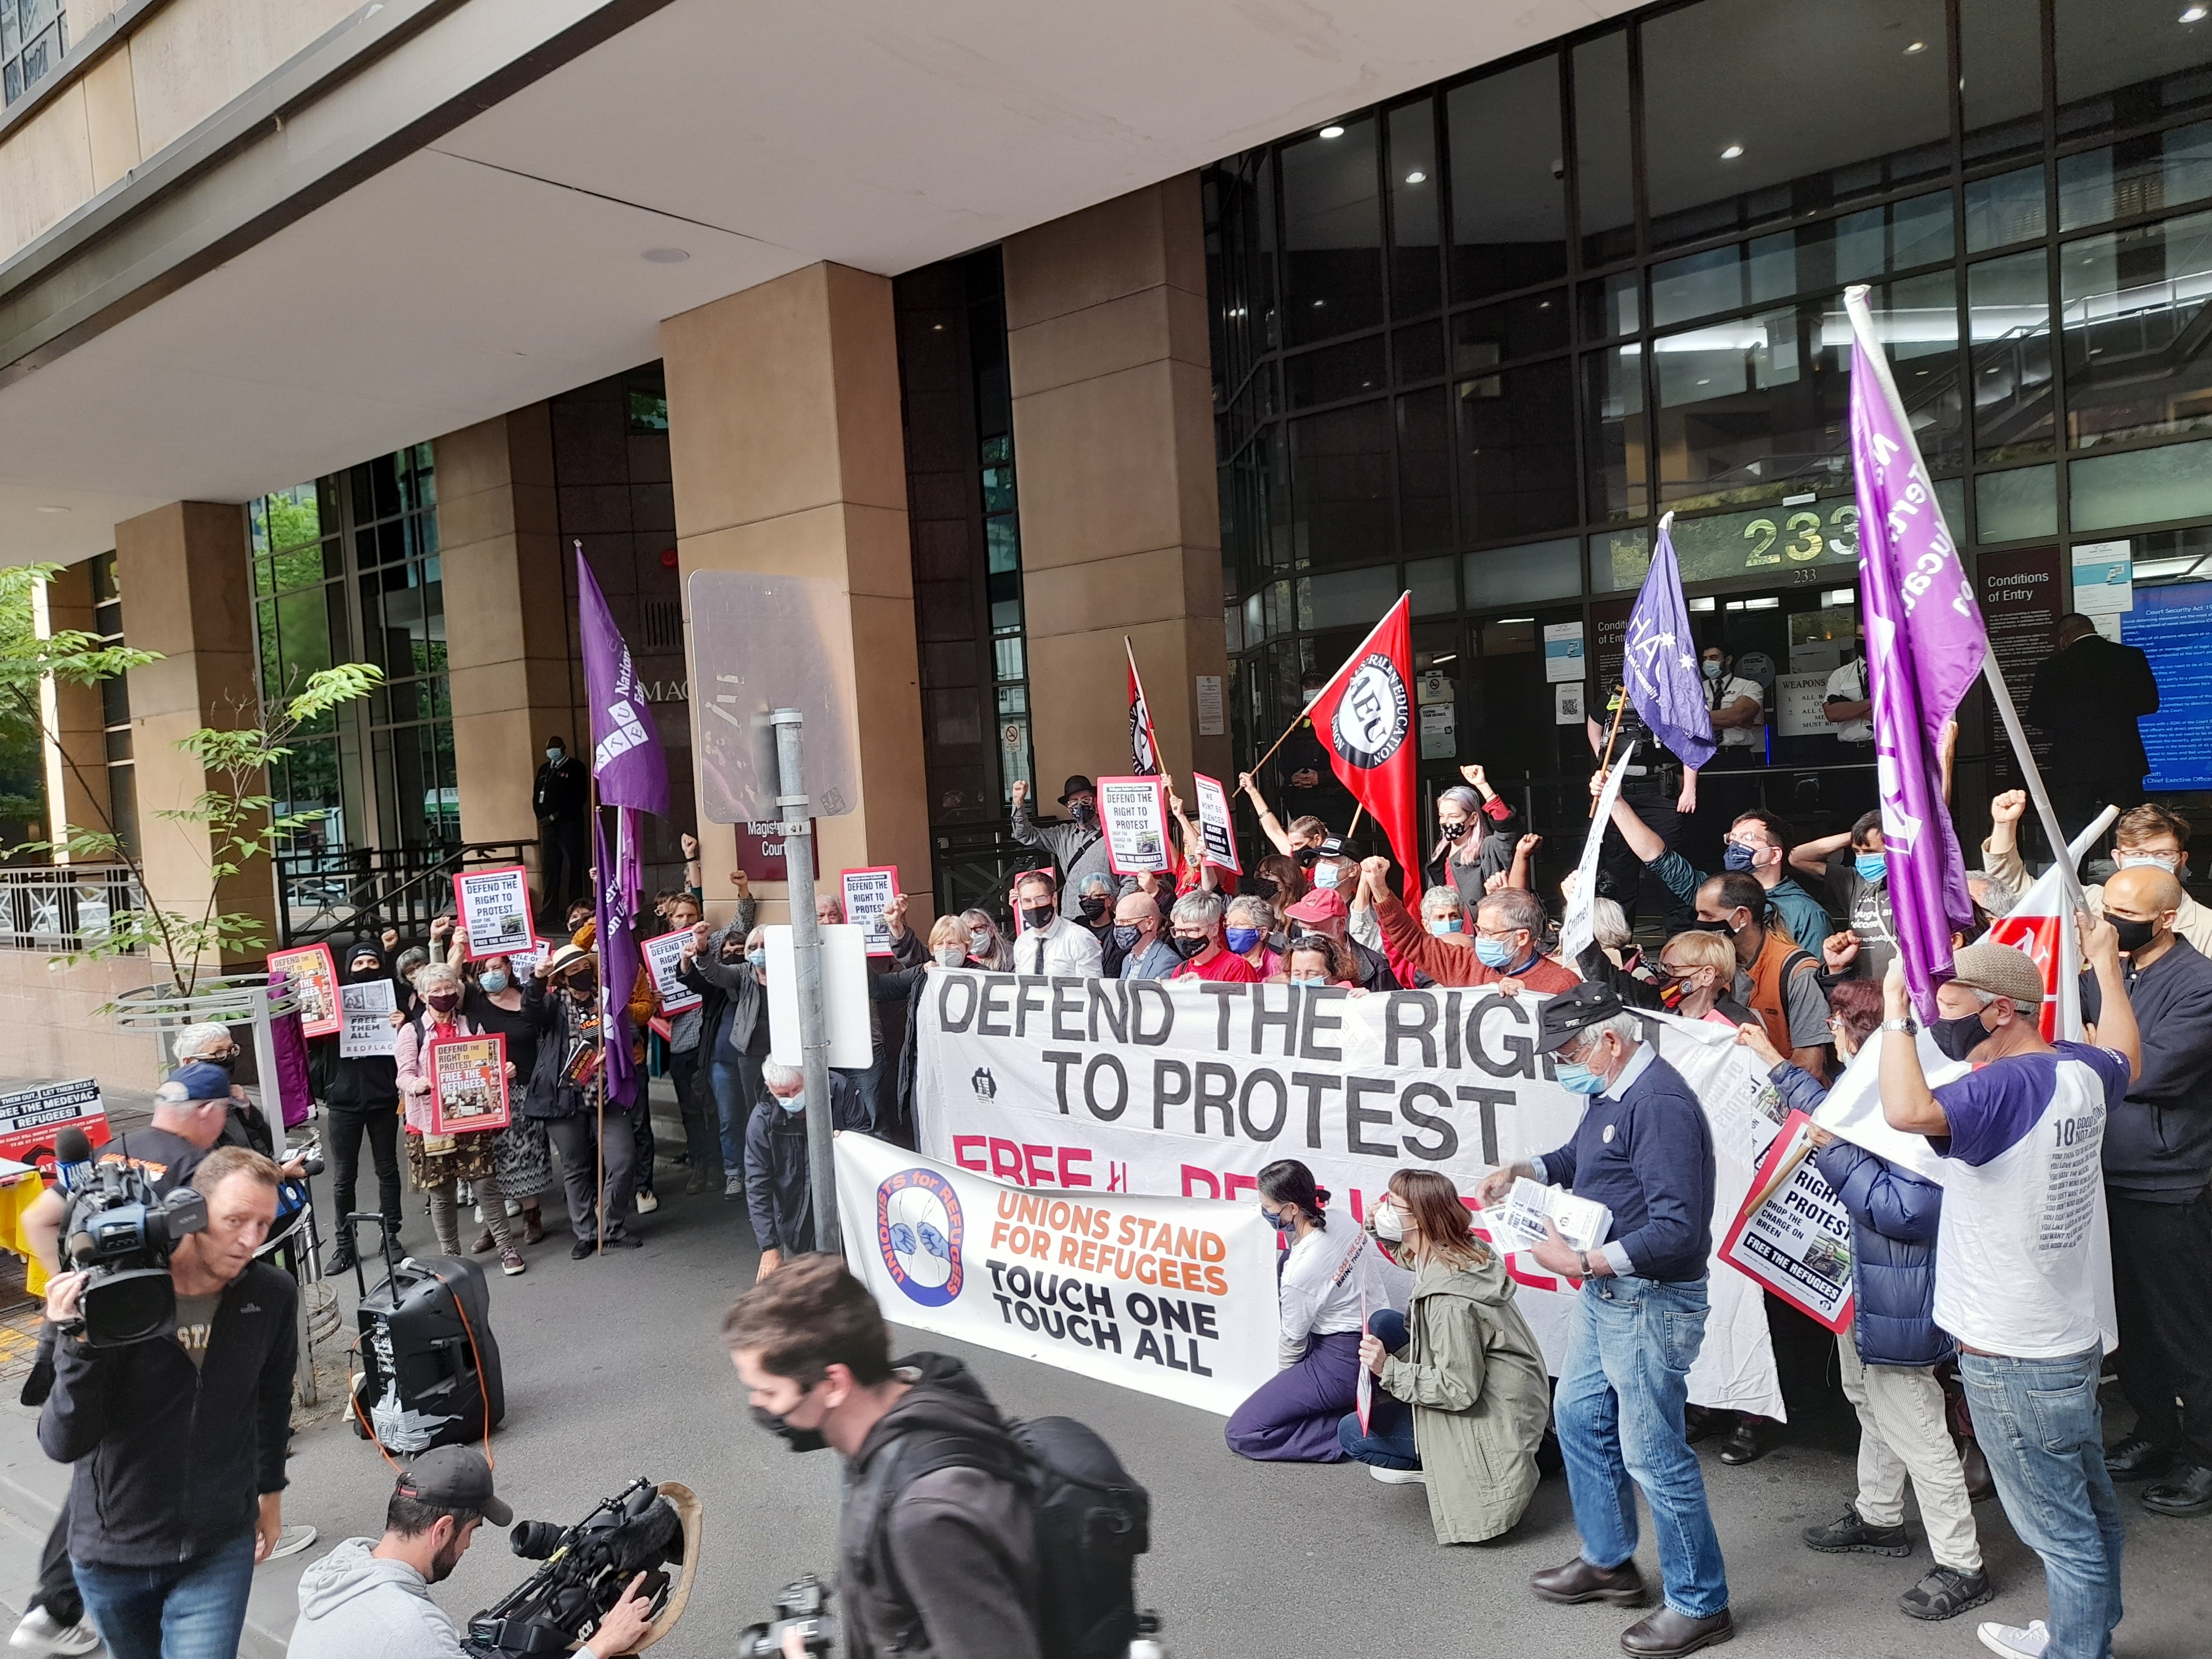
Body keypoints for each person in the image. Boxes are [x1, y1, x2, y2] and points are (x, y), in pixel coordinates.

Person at [1877, 933, 2139, 1659]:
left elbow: (1905, 1110)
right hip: (2064, 1339)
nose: (1936, 1016)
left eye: (1947, 1004)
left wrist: (1894, 1013)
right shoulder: (2075, 1067)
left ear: (1998, 1013)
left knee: (2060, 1531)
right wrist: (2108, 968)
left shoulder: (2001, 1088)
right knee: (2088, 1513)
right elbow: (2128, 1055)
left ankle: (2077, 1652)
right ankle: (2083, 1635)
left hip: (2012, 1356)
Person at [1478, 982, 1731, 1658]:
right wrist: (1525, 1170)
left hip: (1645, 1297)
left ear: (1610, 1041)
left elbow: (1679, 1230)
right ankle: (1609, 1560)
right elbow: (1586, 1162)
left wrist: (1584, 1261)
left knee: (1654, 1452)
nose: (1560, 1064)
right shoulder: (1614, 1091)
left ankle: (1700, 1602)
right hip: (1614, 1294)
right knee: (1579, 1417)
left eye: (1565, 1051)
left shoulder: (1659, 1105)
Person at [1734, 994, 1991, 1624]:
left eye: (1843, 1029)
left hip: (1902, 1296)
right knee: (1869, 1398)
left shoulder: (1931, 1111)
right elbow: (1836, 1113)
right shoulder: (1891, 1089)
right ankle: (1879, 1517)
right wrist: (1774, 1061)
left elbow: (1905, 1210)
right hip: (1873, 1291)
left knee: (1919, 1426)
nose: (1832, 1039)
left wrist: (1833, 1151)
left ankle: (1963, 1563)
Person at [40, 1148, 296, 1659]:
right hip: (113, 1555)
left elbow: (272, 1401)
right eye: (236, 1220)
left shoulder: (272, 1294)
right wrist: (78, 1343)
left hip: (219, 1546)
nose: (251, 1240)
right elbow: (62, 1440)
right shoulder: (109, 1295)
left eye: (265, 1224)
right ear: (191, 1213)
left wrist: (270, 1495)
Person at [723, 1254, 1043, 1659]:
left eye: (768, 1392)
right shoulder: (933, 1383)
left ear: (835, 1383)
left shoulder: (926, 1519)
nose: (761, 1407)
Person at [2076, 864, 2212, 1517]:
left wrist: (2099, 1039)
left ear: (2165, 918)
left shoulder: (2199, 984)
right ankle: (2154, 1431)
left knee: (2186, 1329)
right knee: (2128, 1325)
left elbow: (2136, 1071)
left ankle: (2205, 1454)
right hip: (2102, 1176)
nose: (2110, 921)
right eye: (2106, 907)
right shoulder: (2112, 968)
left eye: (2124, 912)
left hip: (2169, 1182)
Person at [1338, 1170, 1550, 1541]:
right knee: (1386, 1322)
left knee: (1352, 1433)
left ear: (1420, 1219)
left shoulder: (1449, 1304)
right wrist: (1377, 1227)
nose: (1383, 1208)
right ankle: (1543, 1451)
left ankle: (1444, 1466)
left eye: (1393, 1205)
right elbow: (1410, 1257)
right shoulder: (1458, 1246)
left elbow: (1458, 1389)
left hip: (1484, 1415)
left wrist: (1388, 1369)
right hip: (1515, 1397)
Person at [288, 1447, 655, 1659]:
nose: (468, 1546)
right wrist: (600, 1646)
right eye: (471, 1531)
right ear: (442, 1530)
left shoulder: (341, 1571)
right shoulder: (411, 1628)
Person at [1225, 1161, 1391, 1462]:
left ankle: (1357, 1429)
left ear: (1291, 1208)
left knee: (1243, 1432)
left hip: (1343, 1361)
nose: (1264, 1212)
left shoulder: (1299, 1275)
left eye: (1268, 1207)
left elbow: (1292, 1342)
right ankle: (1356, 1402)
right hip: (1377, 1338)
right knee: (1285, 1259)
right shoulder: (1341, 1218)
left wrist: (1285, 1386)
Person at [1598, 774, 1830, 954]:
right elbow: (1657, 857)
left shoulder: (1804, 912)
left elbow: (1816, 980)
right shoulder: (1714, 893)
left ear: (1775, 855)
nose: (1737, 845)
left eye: (1748, 838)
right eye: (1733, 838)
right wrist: (1616, 803)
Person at [394, 964, 524, 1276]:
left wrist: (504, 1072)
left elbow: (488, 1065)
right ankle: (451, 1258)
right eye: (436, 991)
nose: (444, 995)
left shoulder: (472, 1025)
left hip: (471, 1120)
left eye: (449, 988)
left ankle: (507, 1248)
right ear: (423, 996)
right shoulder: (412, 1031)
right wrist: (417, 1085)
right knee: (442, 1193)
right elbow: (404, 1074)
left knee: (486, 1186)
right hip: (429, 1124)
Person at [522, 943, 640, 1258]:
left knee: (623, 1160)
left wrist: (612, 1055)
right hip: (565, 1097)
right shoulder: (553, 1007)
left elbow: (632, 1033)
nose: (580, 975)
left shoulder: (608, 1002)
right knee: (576, 1167)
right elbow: (531, 1011)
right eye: (572, 972)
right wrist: (536, 979)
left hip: (606, 1095)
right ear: (562, 979)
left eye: (583, 969)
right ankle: (586, 1233)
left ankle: (612, 1226)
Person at [1984, 794, 2212, 956]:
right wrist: (2005, 825)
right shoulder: (2087, 902)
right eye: (2137, 853)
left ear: (2181, 859)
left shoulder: (2206, 927)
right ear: (2118, 858)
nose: (2148, 862)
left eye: (2162, 853)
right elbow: (2016, 892)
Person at [447, 940, 552, 1250]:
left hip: (525, 1089)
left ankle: (532, 1216)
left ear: (509, 967)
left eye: (497, 967)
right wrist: (458, 948)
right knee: (487, 1161)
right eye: (485, 970)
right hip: (485, 1095)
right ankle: (495, 1227)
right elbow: (448, 983)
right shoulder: (474, 1002)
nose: (492, 974)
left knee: (525, 1156)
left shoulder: (528, 1000)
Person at [2028, 613, 2160, 846]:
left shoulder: (2052, 667)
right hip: (2123, 760)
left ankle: (2073, 883)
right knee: (2135, 830)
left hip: (2073, 765)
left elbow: (2037, 718)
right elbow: (2150, 704)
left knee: (2073, 836)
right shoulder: (2130, 657)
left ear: (2065, 636)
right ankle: (2140, 879)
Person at [1361, 860, 1575, 993]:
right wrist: (1379, 888)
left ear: (1521, 937)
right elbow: (1413, 941)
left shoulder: (1562, 984)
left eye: (1489, 933)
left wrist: (1528, 996)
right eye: (1479, 930)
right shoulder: (1463, 964)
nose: (1480, 938)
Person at [1695, 873, 1829, 1082]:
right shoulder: (1711, 963)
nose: (1699, 924)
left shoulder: (1797, 971)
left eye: (1708, 916)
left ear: (1741, 916)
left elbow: (1810, 1066)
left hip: (1779, 1098)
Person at [323, 943, 405, 1275]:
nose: (366, 966)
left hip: (383, 1097)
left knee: (387, 1169)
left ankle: (391, 1237)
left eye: (373, 961)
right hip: (343, 1102)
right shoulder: (333, 1007)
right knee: (344, 1176)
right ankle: (345, 1246)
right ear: (348, 967)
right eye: (359, 962)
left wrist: (404, 1022)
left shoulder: (394, 1001)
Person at [747, 1062, 869, 1281]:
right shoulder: (761, 1121)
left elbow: (867, 1138)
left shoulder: (837, 1089)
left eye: (797, 1090)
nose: (792, 1099)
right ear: (769, 1088)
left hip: (846, 1208)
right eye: (783, 1094)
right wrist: (768, 1246)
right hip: (795, 1217)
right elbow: (757, 1184)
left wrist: (849, 1142)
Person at [679, 896, 763, 1199]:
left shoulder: (756, 981)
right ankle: (733, 1175)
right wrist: (700, 949)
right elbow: (705, 976)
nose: (733, 956)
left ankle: (759, 1174)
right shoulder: (716, 986)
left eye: (740, 952)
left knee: (759, 1119)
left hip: (755, 1060)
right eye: (727, 952)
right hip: (721, 1063)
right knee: (729, 1120)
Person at [1792, 811, 1896, 982]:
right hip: (1861, 990)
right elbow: (1798, 857)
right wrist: (1858, 834)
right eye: (1857, 851)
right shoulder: (1853, 881)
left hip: (1901, 989)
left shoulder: (1911, 884)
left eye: (1870, 851)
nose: (1862, 858)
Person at [1010, 776, 1124, 918]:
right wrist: (1018, 803)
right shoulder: (1062, 835)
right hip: (1072, 916)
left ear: (1095, 800)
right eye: (1074, 802)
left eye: (1085, 800)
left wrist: (1121, 910)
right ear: (1068, 807)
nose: (1080, 805)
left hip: (1107, 918)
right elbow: (1025, 835)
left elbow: (1129, 878)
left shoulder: (1115, 833)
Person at [1425, 768, 1520, 915]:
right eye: (1442, 816)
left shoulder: (1487, 848)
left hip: (1479, 931)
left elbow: (1506, 828)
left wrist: (1482, 785)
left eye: (1453, 816)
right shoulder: (1439, 856)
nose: (1446, 822)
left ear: (1473, 818)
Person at [1281, 886, 1397, 990]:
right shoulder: (1293, 958)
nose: (1309, 935)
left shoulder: (1377, 969)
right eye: (1303, 928)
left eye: (1316, 929)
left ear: (1341, 924)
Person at [533, 736, 589, 923]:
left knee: (574, 866)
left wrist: (556, 816)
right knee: (551, 869)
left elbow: (578, 798)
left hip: (569, 824)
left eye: (555, 749)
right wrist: (542, 817)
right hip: (549, 827)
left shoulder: (575, 768)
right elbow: (536, 796)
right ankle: (549, 912)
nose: (552, 752)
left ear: (563, 749)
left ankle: (576, 911)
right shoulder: (544, 769)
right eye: (550, 749)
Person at [1008, 868, 1104, 977]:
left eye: (1040, 899)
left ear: (1054, 899)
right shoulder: (1022, 942)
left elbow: (1091, 989)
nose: (1034, 906)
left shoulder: (1079, 939)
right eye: (1027, 901)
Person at [1167, 890, 1260, 983]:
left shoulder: (1237, 969)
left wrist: (1202, 988)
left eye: (1192, 930)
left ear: (1214, 930)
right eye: (1178, 931)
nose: (1183, 937)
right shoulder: (1181, 970)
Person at [1112, 891, 1179, 981]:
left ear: (1149, 923)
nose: (1119, 926)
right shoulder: (1127, 961)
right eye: (1117, 922)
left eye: (1125, 921)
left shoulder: (1167, 961)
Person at [1224, 893, 1284, 979]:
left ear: (1262, 932)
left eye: (1240, 924)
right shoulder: (1223, 963)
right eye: (1229, 925)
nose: (1232, 930)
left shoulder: (1279, 966)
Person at [1277, 935, 1361, 988]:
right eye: (1297, 974)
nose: (1303, 980)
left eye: (1313, 974)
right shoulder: (1282, 1003)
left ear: (1335, 976)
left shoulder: (1350, 1002)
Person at [960, 907, 1013, 972]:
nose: (973, 934)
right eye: (967, 930)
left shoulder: (1011, 956)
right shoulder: (961, 960)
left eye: (979, 928)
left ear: (991, 930)